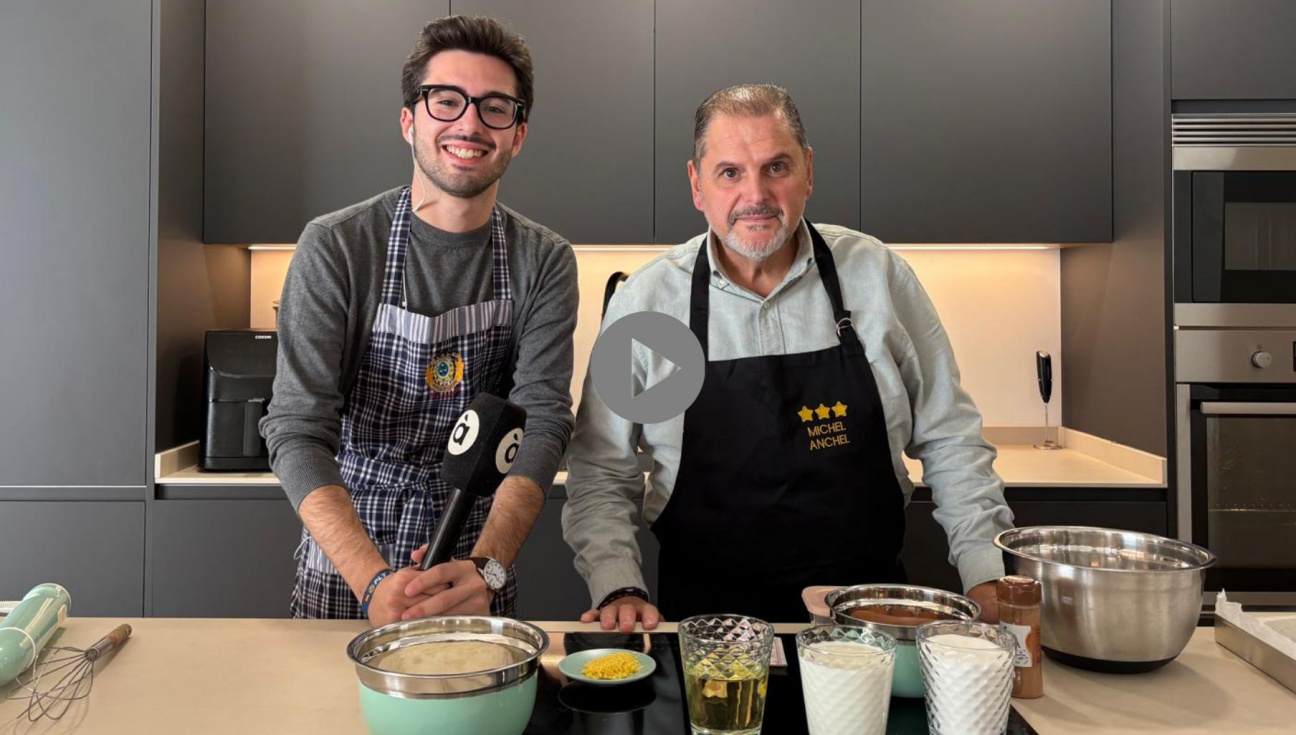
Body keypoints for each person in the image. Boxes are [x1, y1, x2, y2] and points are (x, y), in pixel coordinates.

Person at [562, 84, 1013, 630]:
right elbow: (601, 470)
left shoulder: (873, 276)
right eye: (729, 172)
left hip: (869, 622)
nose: (755, 194)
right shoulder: (649, 305)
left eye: (776, 167)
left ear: (809, 172)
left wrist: (988, 575)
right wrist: (618, 584)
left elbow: (951, 439)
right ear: (696, 185)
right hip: (706, 628)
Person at [261, 16, 577, 626]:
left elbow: (540, 424)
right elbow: (297, 429)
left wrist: (488, 566)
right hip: (350, 555)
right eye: (446, 101)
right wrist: (372, 581)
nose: (469, 124)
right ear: (410, 120)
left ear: (518, 134)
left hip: (476, 557)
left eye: (495, 108)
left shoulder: (546, 261)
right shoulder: (337, 246)